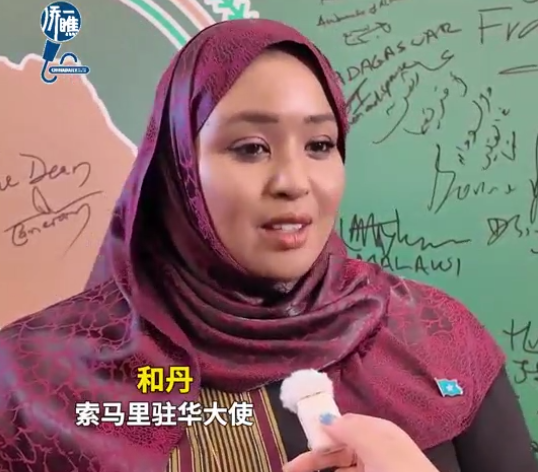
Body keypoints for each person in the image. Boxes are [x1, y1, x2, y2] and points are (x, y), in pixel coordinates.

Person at [0, 18, 535, 472]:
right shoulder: (28, 382)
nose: (294, 182)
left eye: (320, 144)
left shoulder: (438, 339)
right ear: (177, 166)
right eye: (251, 148)